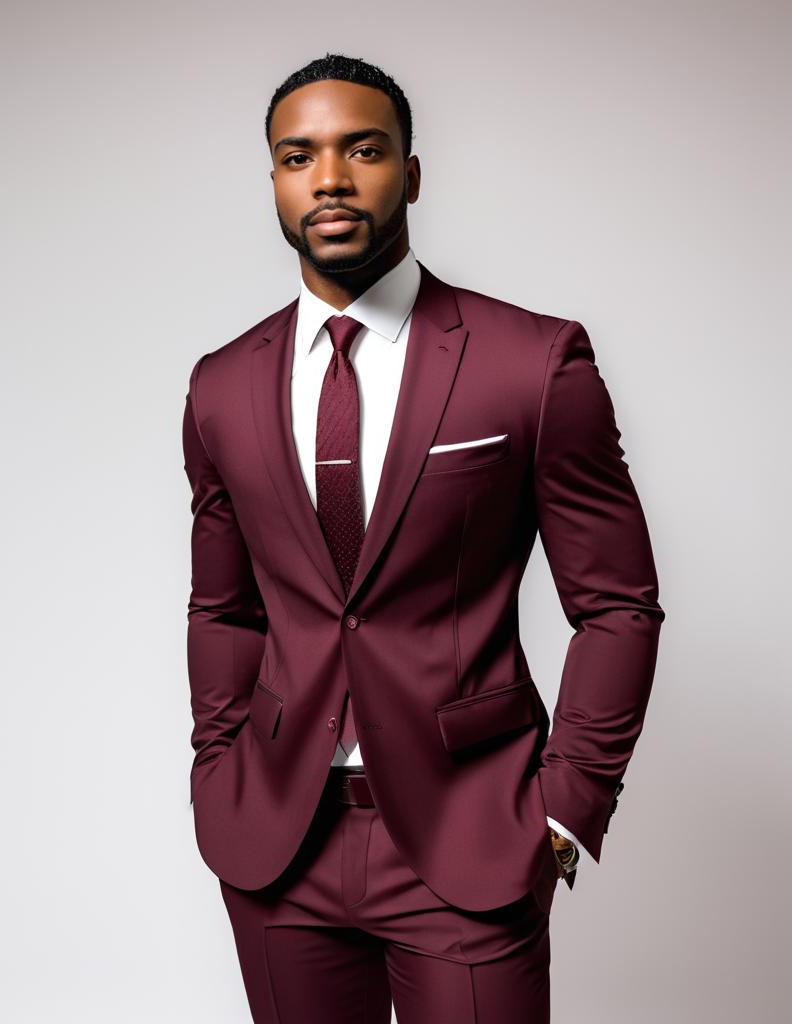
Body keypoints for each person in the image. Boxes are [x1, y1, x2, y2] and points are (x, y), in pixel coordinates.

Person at [181, 52, 664, 1023]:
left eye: (361, 149)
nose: (329, 178)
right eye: (297, 155)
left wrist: (565, 810)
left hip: (469, 835)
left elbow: (616, 603)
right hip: (278, 842)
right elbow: (223, 608)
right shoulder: (221, 385)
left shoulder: (531, 362)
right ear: (273, 178)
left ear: (410, 171)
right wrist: (217, 765)